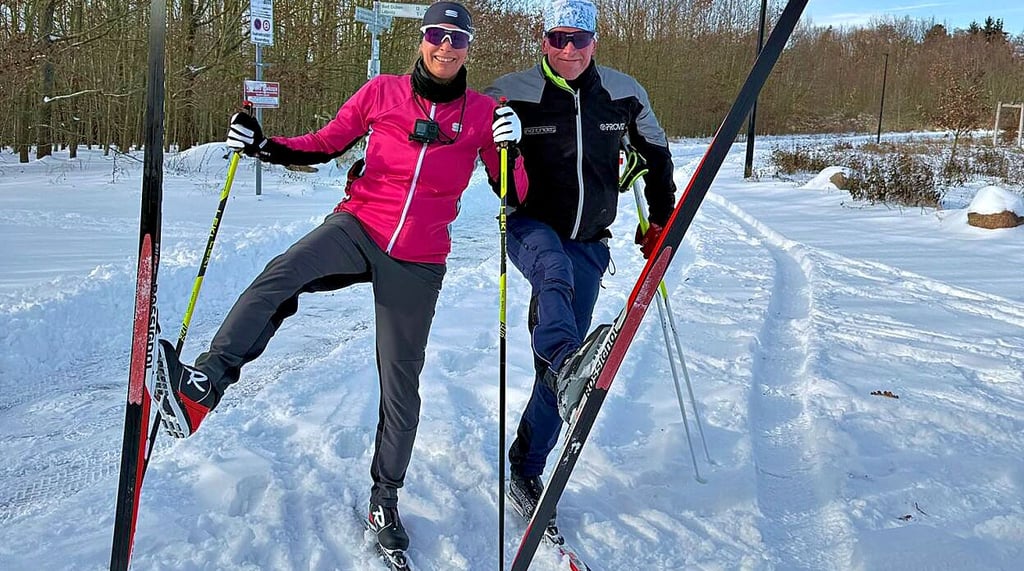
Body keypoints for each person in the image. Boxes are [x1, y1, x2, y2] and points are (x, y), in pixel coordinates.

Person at [149, 1, 526, 559]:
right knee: (280, 276)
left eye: (457, 38)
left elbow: (511, 194)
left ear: (470, 47)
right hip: (359, 225)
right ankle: (201, 389)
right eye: (435, 35)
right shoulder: (381, 93)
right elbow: (322, 144)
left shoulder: (482, 114)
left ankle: (385, 497)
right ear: (421, 39)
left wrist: (509, 146)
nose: (445, 47)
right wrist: (262, 144)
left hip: (419, 258)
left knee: (402, 383)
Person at [486, 0, 676, 529]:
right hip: (530, 227)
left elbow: (656, 155)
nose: (568, 50)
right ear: (543, 40)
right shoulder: (511, 92)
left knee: (559, 370)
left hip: (590, 241)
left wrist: (660, 220)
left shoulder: (624, 91)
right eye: (557, 38)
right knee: (553, 274)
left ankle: (525, 466)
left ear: (595, 41)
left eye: (579, 39)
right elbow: (452, 131)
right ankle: (566, 359)